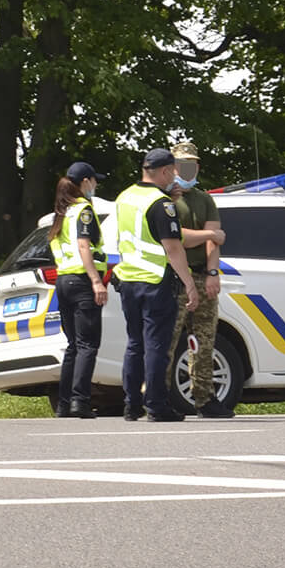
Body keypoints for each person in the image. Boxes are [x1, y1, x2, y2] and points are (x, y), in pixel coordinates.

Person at [114, 148, 202, 422]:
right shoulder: (161, 204)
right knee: (156, 346)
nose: (175, 176)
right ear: (164, 171)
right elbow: (173, 248)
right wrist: (189, 283)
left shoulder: (125, 197)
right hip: (155, 281)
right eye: (173, 171)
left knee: (134, 344)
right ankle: (156, 405)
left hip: (128, 280)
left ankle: (131, 406)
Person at [167, 140, 231, 419]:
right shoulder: (166, 199)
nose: (187, 170)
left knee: (204, 340)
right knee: (167, 342)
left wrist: (213, 272)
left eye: (191, 165)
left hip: (201, 275)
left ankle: (205, 398)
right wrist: (208, 236)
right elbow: (178, 236)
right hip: (173, 277)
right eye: (182, 165)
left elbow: (214, 238)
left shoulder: (205, 199)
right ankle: (160, 396)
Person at [48, 162, 107, 418]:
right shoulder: (83, 210)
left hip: (63, 283)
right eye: (94, 181)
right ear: (85, 182)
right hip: (82, 282)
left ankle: (64, 404)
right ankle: (80, 402)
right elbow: (84, 246)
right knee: (87, 345)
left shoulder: (61, 213)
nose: (95, 186)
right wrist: (96, 280)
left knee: (73, 345)